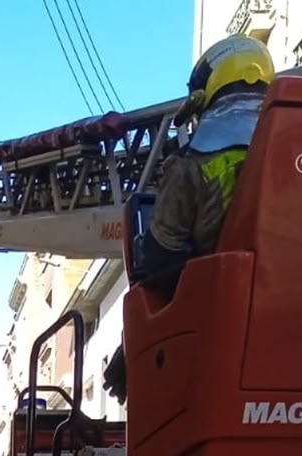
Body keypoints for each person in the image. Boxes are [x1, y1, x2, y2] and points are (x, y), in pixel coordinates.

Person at [102, 33, 276, 404]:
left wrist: (128, 352)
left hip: (223, 341)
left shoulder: (191, 166)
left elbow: (162, 264)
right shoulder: (298, 152)